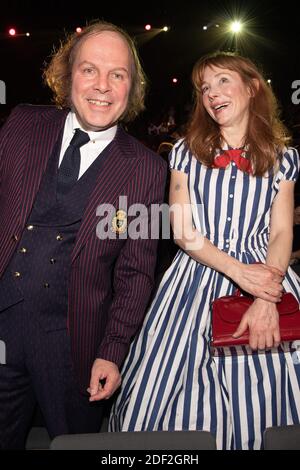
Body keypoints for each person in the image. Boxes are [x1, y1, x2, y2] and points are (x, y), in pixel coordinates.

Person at [109, 52, 300, 450]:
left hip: (268, 273)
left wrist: (267, 293)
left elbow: (282, 231)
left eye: (223, 81)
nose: (212, 94)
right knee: (164, 397)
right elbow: (182, 232)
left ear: (252, 87)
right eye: (204, 88)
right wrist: (240, 273)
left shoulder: (284, 158)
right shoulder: (184, 152)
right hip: (194, 277)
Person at [0, 21, 166, 449]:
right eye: (89, 69)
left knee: (76, 444)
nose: (103, 86)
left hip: (73, 345)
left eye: (118, 74)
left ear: (133, 87)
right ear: (67, 74)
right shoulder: (21, 125)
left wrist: (112, 349)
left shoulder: (148, 169)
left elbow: (137, 273)